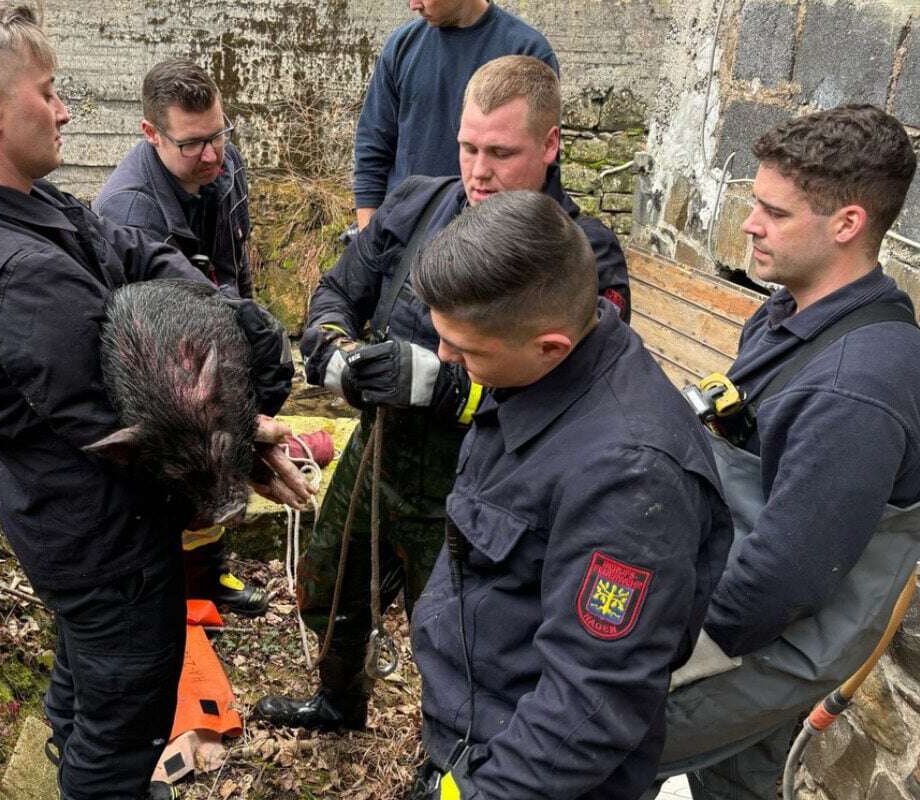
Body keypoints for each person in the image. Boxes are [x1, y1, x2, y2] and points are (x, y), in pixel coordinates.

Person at [0, 4, 309, 799]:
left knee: (89, 679)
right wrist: (242, 441)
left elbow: (136, 251)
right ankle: (103, 779)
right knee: (128, 722)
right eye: (47, 92)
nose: (63, 109)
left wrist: (215, 316)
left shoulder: (17, 200)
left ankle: (80, 754)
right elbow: (149, 433)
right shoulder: (22, 281)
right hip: (105, 545)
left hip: (66, 522)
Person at [253, 55, 629, 732]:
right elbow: (339, 289)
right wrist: (336, 351)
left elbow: (580, 397)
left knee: (462, 644)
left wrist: (438, 381)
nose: (479, 172)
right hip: (379, 456)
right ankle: (340, 701)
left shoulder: (582, 257)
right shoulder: (416, 202)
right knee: (330, 588)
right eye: (468, 147)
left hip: (480, 485)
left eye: (501, 153)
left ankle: (445, 757)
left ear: (550, 146)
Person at [406, 190, 731, 799]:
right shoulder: (539, 374)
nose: (445, 356)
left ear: (550, 344)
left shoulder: (629, 480)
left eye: (466, 349)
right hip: (476, 734)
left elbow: (591, 702)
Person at [653, 105, 920, 799]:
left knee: (602, 737)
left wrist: (662, 658)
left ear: (847, 224)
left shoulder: (855, 387)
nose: (748, 223)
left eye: (773, 212)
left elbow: (783, 581)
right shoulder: (788, 314)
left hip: (763, 642)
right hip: (728, 597)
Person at [93, 59, 266, 617]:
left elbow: (234, 261)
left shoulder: (222, 163)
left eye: (219, 134)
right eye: (193, 144)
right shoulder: (128, 212)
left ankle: (211, 575)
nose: (213, 155)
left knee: (220, 456)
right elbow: (146, 337)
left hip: (220, 323)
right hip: (171, 369)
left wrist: (247, 324)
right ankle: (180, 584)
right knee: (189, 465)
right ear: (151, 133)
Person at [354, 0, 558, 229]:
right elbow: (372, 147)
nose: (413, 5)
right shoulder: (402, 46)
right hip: (401, 238)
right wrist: (367, 235)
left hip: (486, 242)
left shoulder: (526, 51)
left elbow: (542, 169)